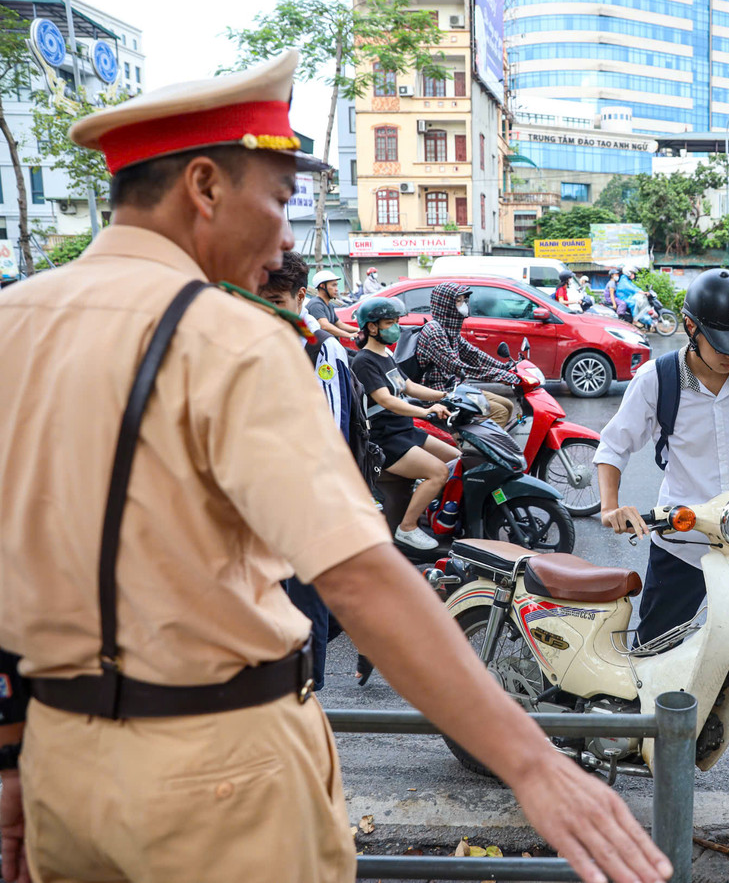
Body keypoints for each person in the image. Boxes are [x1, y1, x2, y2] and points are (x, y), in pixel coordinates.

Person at [0, 50, 669, 883]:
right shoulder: (231, 339)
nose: (287, 235)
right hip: (220, 782)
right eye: (280, 199)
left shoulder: (13, 320)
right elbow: (361, 579)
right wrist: (534, 764)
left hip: (60, 766)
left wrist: (12, 758)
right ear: (204, 186)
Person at [594, 269, 729, 642]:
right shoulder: (657, 379)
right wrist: (610, 506)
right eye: (723, 344)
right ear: (691, 328)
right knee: (656, 647)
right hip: (684, 538)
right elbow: (613, 446)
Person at [257, 251, 353, 692]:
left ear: (300, 297)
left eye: (276, 299)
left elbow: (330, 433)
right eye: (258, 297)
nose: (267, 308)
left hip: (307, 502)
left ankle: (307, 694)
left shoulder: (322, 349)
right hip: (260, 502)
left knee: (307, 602)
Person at [352, 296, 461, 552]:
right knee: (439, 472)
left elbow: (408, 386)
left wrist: (444, 396)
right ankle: (408, 528)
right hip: (385, 438)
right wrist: (426, 412)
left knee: (458, 459)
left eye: (396, 322)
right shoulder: (364, 361)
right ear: (371, 327)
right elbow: (387, 400)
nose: (396, 328)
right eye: (390, 322)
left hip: (404, 431)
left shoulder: (385, 354)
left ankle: (434, 510)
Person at [416, 282, 516, 428]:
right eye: (458, 301)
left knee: (507, 405)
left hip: (456, 388)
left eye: (464, 301)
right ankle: (477, 449)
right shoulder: (434, 331)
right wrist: (500, 376)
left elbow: (473, 354)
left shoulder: (449, 330)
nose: (463, 305)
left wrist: (506, 367)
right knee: (500, 412)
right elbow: (458, 367)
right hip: (440, 393)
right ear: (446, 305)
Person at [306, 268, 355, 341]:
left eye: (336, 285)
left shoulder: (329, 305)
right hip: (321, 349)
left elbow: (340, 324)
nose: (337, 289)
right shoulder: (316, 305)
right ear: (322, 286)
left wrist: (359, 330)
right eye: (333, 285)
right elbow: (325, 326)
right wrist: (349, 335)